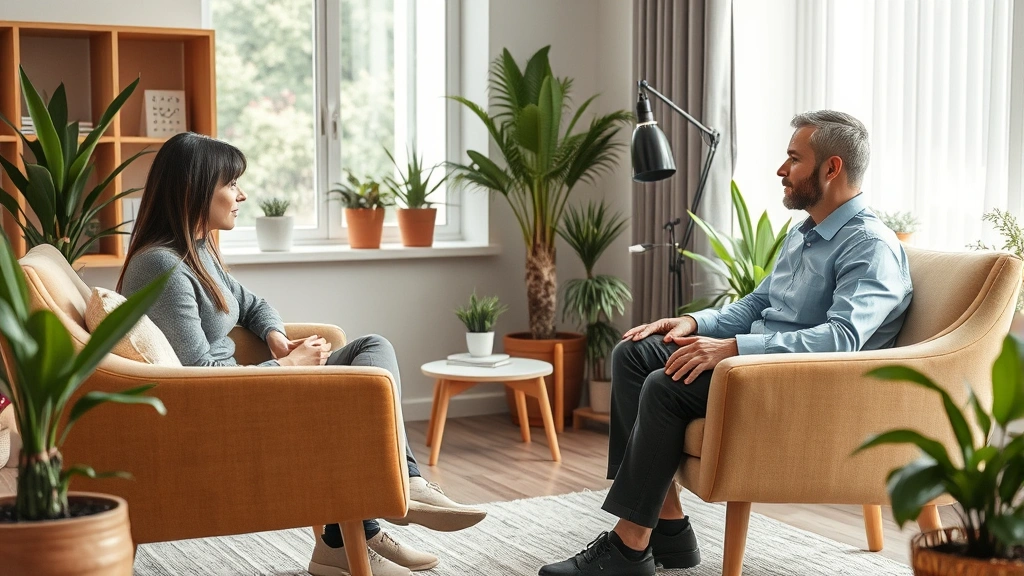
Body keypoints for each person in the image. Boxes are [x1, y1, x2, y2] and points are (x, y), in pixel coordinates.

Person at [539, 110, 913, 576]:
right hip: (754, 365)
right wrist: (693, 323)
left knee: (666, 384)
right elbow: (758, 304)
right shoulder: (805, 233)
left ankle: (630, 548)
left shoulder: (869, 245)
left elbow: (843, 338)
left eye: (794, 159)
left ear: (831, 168)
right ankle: (670, 530)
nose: (781, 170)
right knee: (634, 354)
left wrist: (734, 349)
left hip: (803, 386)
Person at [117, 132, 486, 576]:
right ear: (194, 190)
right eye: (232, 184)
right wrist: (286, 366)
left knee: (372, 349)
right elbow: (200, 377)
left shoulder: (195, 252)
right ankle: (372, 515)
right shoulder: (161, 266)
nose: (242, 195)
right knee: (357, 392)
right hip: (226, 408)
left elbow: (253, 305)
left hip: (244, 388)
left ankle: (377, 506)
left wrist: (274, 337)